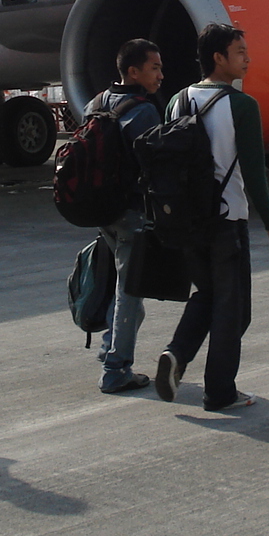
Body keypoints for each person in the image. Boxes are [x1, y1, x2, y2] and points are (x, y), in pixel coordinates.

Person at [154, 24, 269, 412]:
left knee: (208, 294)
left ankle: (177, 353)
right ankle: (220, 391)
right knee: (234, 309)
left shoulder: (176, 102)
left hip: (185, 221)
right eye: (240, 52)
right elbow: (255, 172)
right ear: (219, 58)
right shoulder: (243, 106)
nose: (247, 59)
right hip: (227, 220)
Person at [84, 39, 165, 394]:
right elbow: (154, 166)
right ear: (134, 72)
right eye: (154, 68)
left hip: (103, 210)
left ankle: (108, 350)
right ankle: (116, 369)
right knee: (130, 294)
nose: (161, 75)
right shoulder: (144, 111)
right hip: (132, 212)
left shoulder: (96, 102)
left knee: (128, 289)